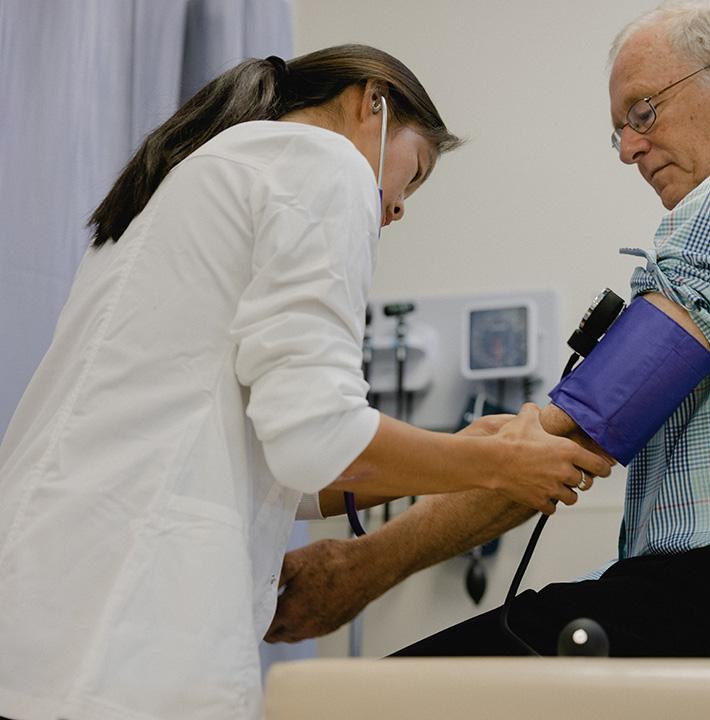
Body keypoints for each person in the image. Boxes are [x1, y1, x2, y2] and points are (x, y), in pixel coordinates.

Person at [267, 1, 710, 657]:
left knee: (389, 700)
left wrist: (365, 565)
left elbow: (586, 424)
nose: (628, 149)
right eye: (618, 129)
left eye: (644, 112)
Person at [0, 45, 612, 720]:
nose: (402, 207)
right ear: (369, 102)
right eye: (416, 173)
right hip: (129, 624)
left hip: (52, 598)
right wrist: (499, 463)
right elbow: (315, 438)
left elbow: (256, 460)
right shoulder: (323, 163)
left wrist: (446, 454)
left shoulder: (193, 179)